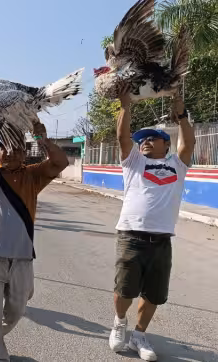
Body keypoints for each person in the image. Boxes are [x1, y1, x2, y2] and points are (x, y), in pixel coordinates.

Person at [0, 120, 68, 362]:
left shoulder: (33, 175)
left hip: (22, 256)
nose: (12, 151)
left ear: (25, 154)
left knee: (16, 310)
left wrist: (42, 138)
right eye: (6, 146)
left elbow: (60, 163)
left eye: (18, 148)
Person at [108, 88, 194, 361]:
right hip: (131, 235)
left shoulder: (177, 165)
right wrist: (125, 106)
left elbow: (189, 144)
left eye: (152, 138)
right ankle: (120, 322)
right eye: (142, 139)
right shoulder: (134, 162)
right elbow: (123, 137)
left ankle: (139, 335)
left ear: (166, 145)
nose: (144, 141)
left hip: (162, 239)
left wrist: (181, 115)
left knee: (154, 293)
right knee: (125, 289)